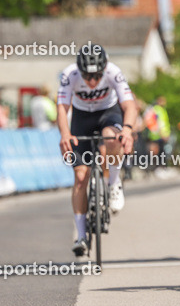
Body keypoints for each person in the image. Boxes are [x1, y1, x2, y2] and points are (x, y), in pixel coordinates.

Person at [57, 43, 138, 257]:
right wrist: (65, 134)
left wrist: (127, 130)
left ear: (104, 68)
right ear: (79, 71)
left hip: (107, 112)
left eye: (96, 76)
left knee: (112, 139)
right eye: (87, 77)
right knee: (81, 176)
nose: (92, 82)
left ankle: (113, 183)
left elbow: (129, 105)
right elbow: (62, 108)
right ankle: (81, 235)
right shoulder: (69, 75)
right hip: (82, 118)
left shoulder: (113, 72)